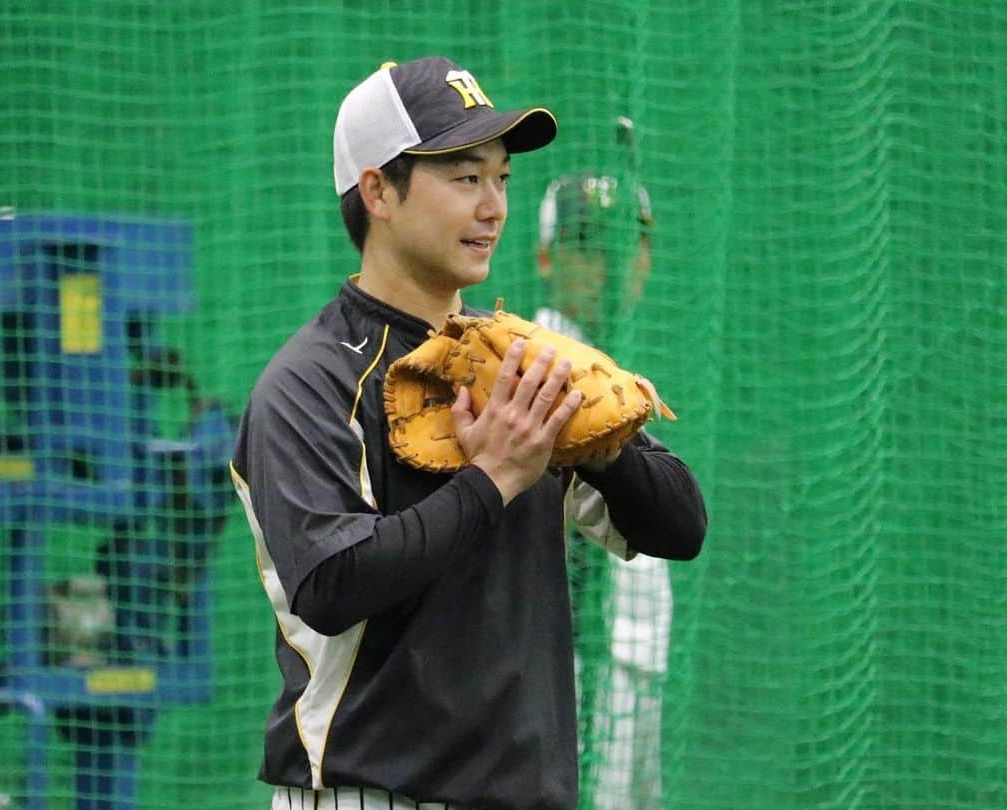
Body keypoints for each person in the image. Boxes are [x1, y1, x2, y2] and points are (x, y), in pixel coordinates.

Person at [230, 56, 707, 810]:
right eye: (464, 178)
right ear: (378, 191)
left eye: (502, 180)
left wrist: (604, 446)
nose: (493, 207)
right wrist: (495, 480)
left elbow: (680, 526)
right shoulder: (310, 380)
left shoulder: (517, 366)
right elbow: (329, 584)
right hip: (368, 792)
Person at [535, 137, 671, 809]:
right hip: (572, 663)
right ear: (546, 257)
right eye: (588, 245)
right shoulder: (540, 365)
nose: (611, 265)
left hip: (637, 666)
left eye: (628, 244)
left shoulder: (622, 367)